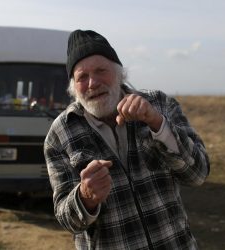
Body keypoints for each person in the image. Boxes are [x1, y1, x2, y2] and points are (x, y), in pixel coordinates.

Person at [44, 29, 210, 249]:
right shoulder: (60, 134)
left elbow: (198, 174)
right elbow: (68, 221)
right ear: (74, 88)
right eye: (82, 77)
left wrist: (157, 123)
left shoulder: (159, 104)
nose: (92, 83)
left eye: (101, 70)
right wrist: (86, 197)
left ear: (120, 74)